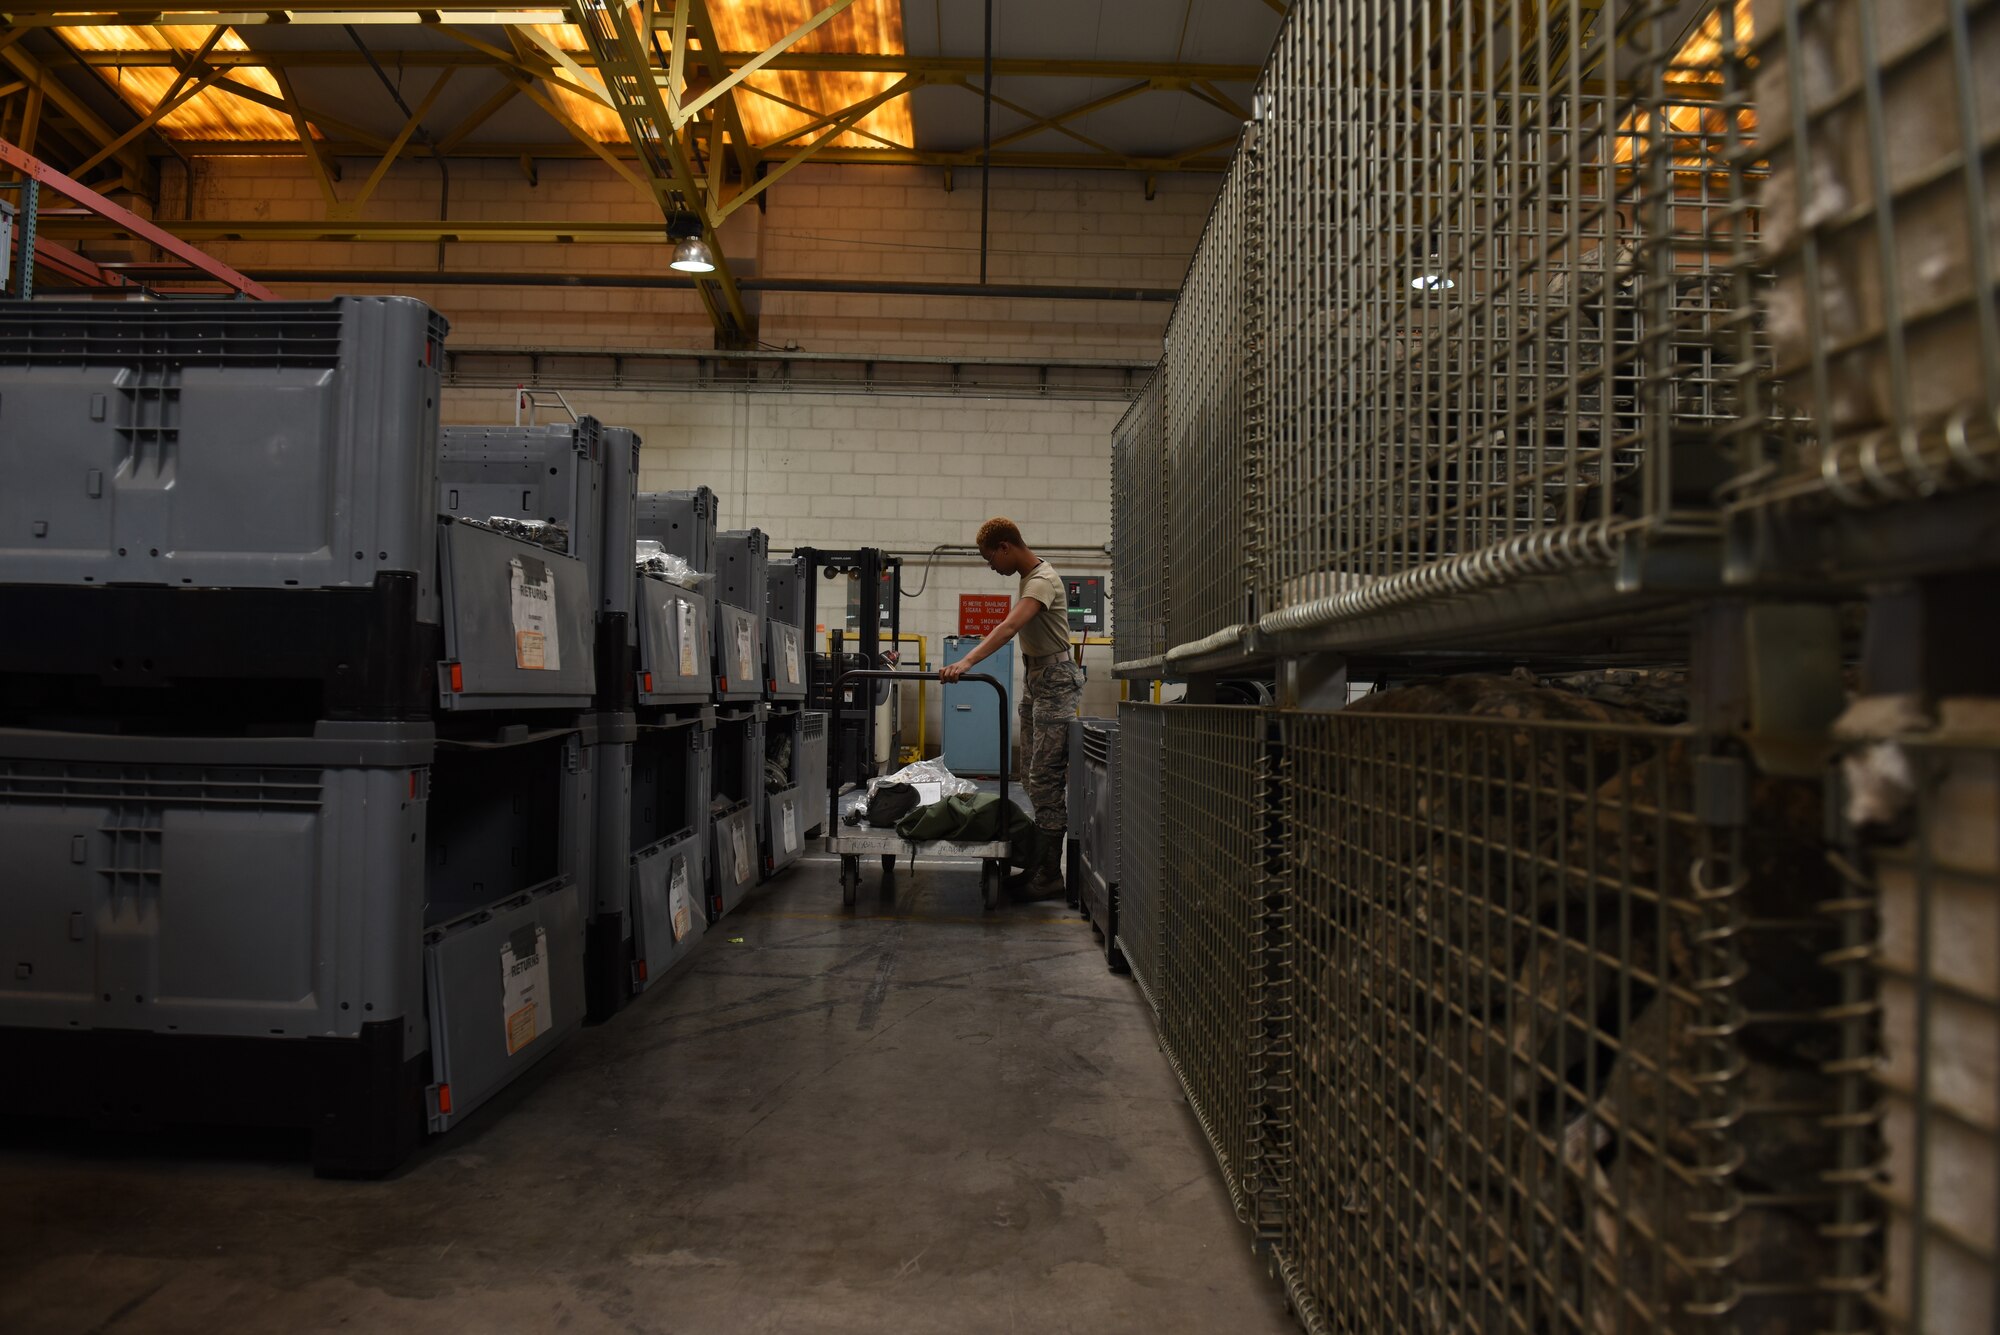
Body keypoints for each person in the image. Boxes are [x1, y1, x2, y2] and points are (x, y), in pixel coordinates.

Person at [940, 517, 1083, 902]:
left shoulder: (1040, 580)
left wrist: (966, 662)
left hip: (1055, 680)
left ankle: (1051, 874)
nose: (992, 567)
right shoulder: (1029, 576)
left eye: (991, 559)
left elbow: (1007, 628)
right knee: (1030, 775)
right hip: (1038, 679)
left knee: (1045, 779)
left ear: (1006, 546)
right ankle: (1040, 864)